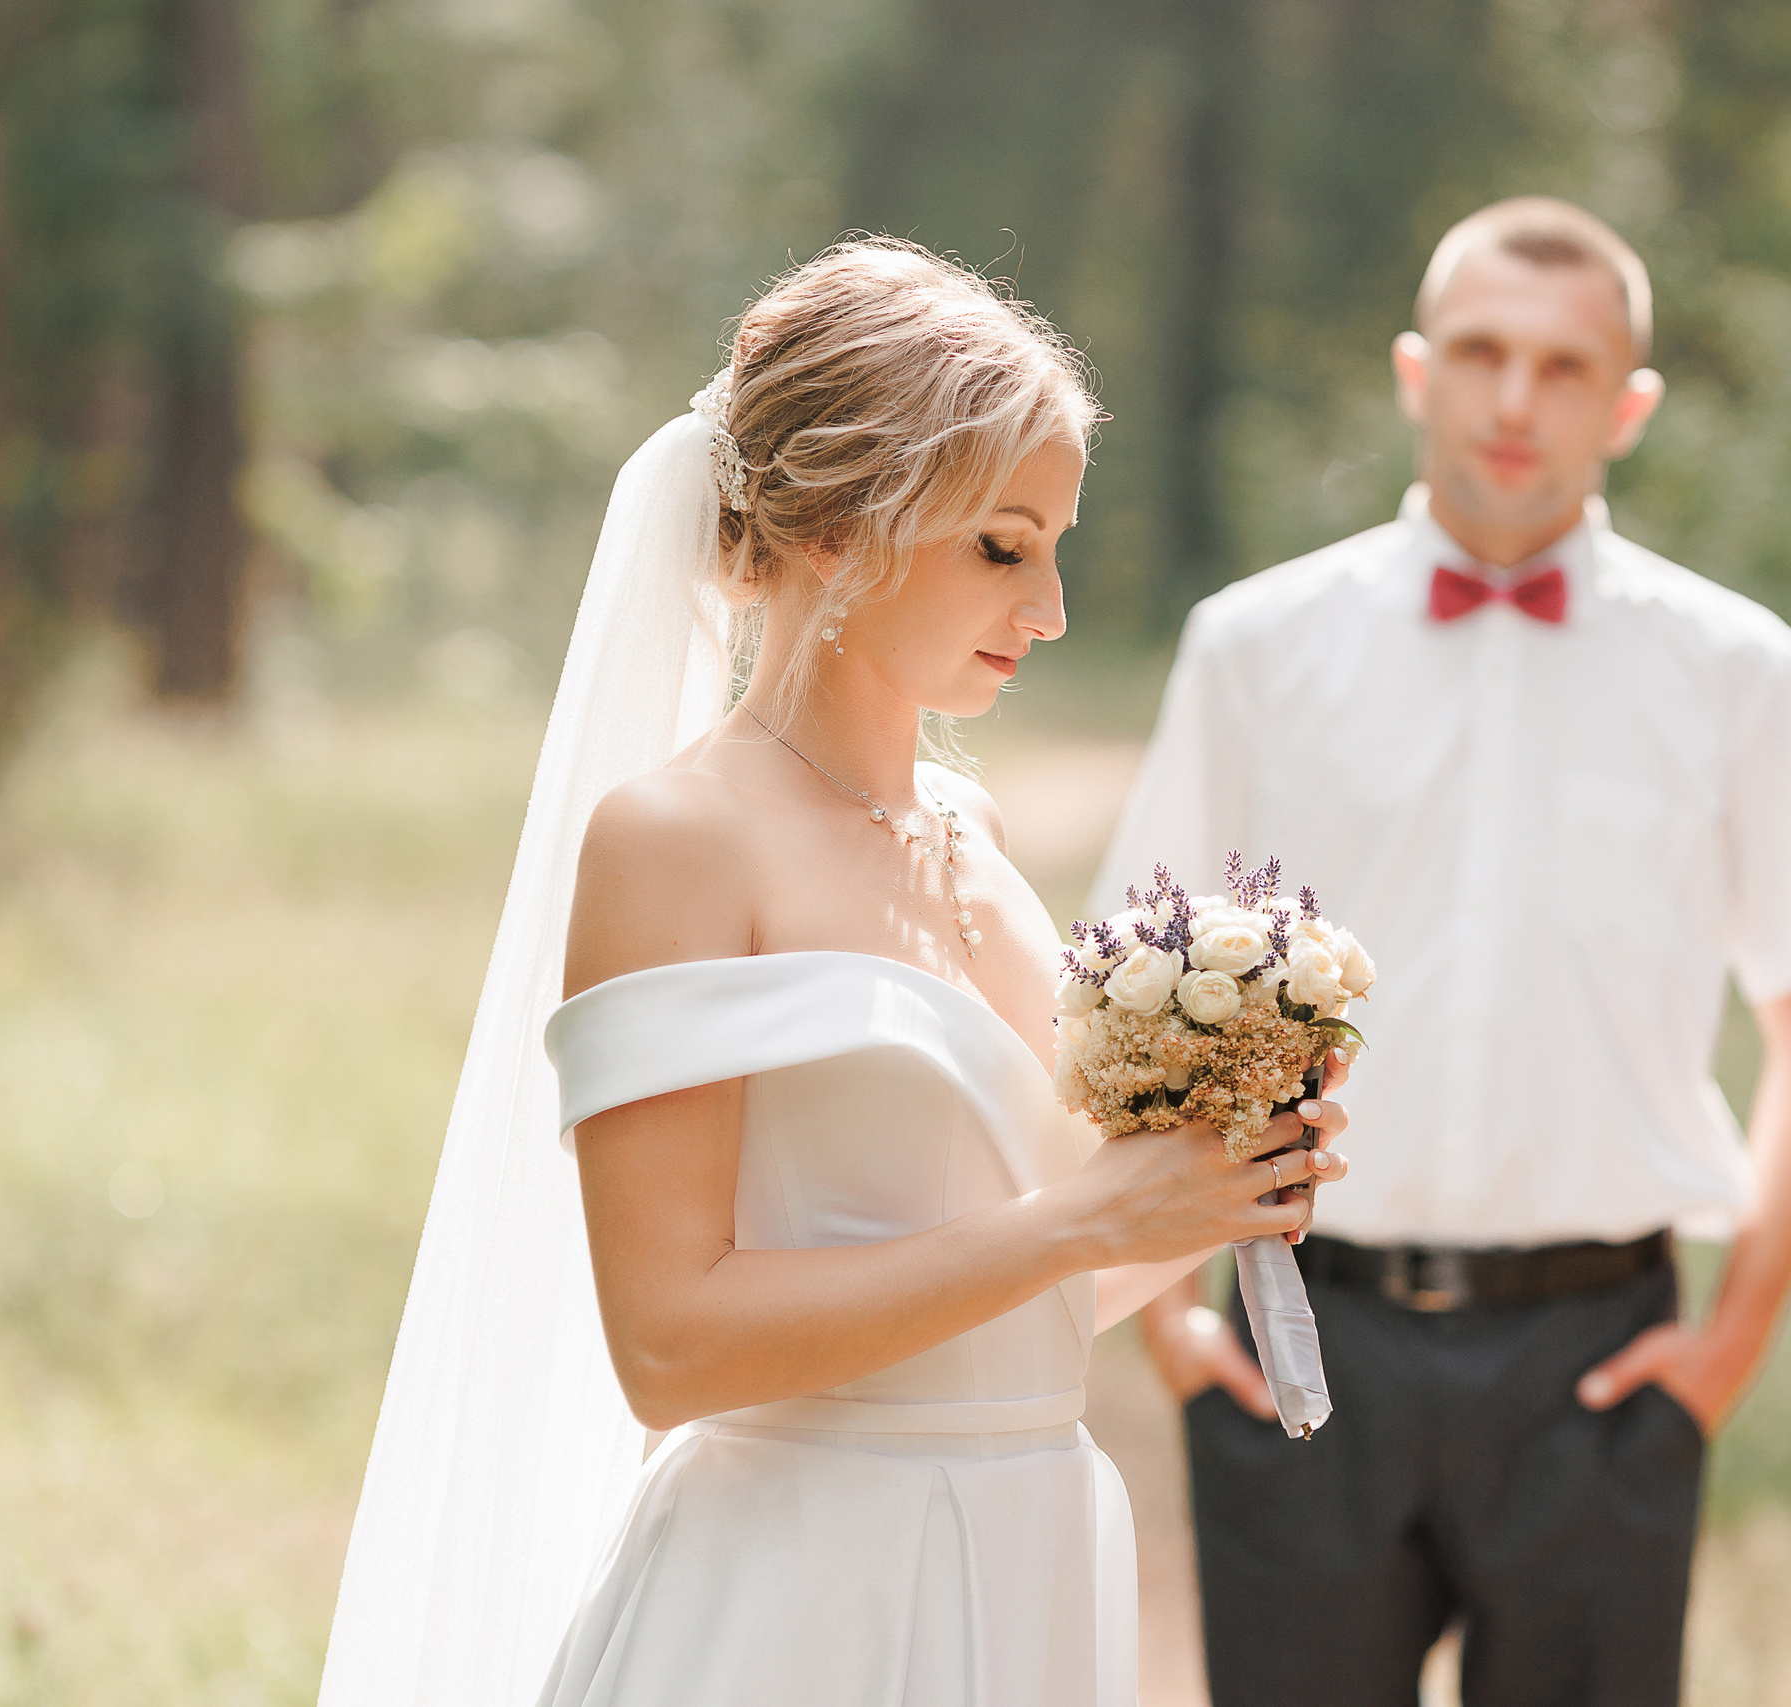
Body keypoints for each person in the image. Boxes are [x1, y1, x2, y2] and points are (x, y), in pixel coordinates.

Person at [314, 238, 1353, 1707]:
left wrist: (1216, 1188)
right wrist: (1078, 1224)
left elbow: (1022, 1299)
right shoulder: (678, 838)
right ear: (835, 529)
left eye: (1056, 548)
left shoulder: (973, 833)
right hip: (808, 1597)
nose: (1048, 611)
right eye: (1003, 546)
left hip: (1027, 1555)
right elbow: (669, 1345)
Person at [1101, 197, 1791, 1706]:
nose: (1516, 400)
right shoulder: (1254, 646)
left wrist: (1736, 1339)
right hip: (1296, 1334)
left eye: (1565, 366)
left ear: (1629, 404)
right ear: (1415, 370)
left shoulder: (1741, 673)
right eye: (1481, 352)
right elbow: (1135, 983)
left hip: (1600, 1367)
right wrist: (1170, 1320)